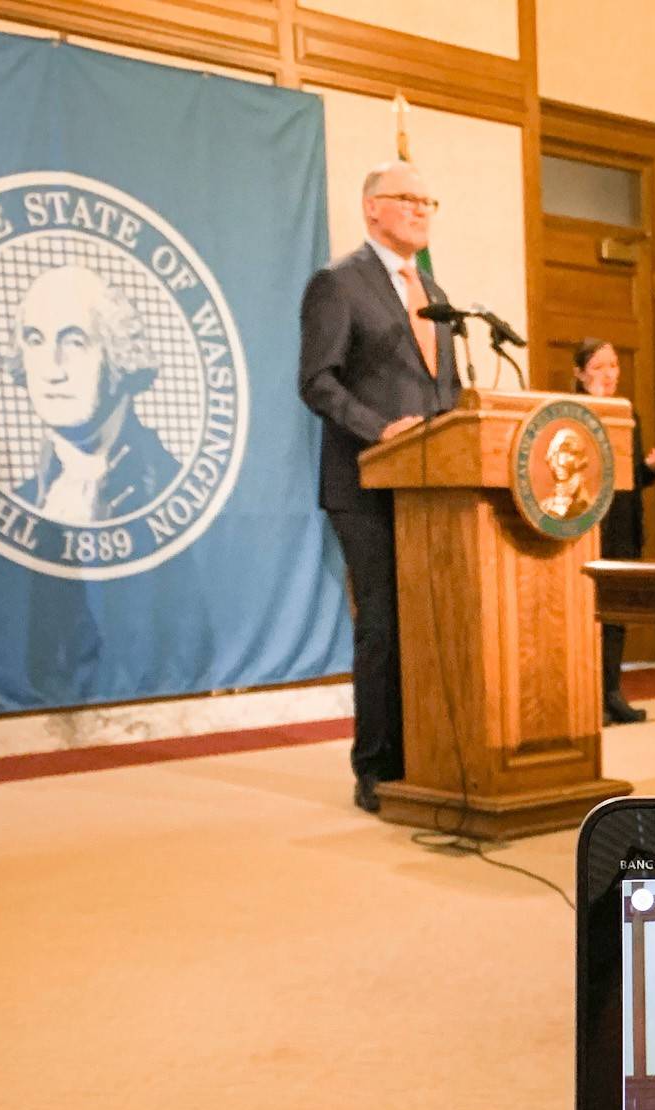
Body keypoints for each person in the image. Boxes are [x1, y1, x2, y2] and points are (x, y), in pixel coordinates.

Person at [298, 161, 460, 814]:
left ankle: (429, 754)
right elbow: (317, 380)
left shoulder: (434, 287)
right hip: (365, 483)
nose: (421, 210)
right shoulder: (338, 284)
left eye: (429, 200)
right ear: (372, 210)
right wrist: (380, 429)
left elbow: (441, 388)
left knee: (433, 623)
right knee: (385, 626)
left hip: (433, 486)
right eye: (407, 199)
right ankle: (376, 767)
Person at [8, 264, 178, 524]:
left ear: (119, 353)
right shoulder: (16, 508)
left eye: (75, 342)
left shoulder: (169, 491)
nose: (51, 370)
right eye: (35, 341)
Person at [573, 338, 655, 725]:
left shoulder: (626, 412)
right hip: (584, 526)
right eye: (598, 367)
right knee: (585, 614)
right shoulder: (571, 412)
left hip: (621, 523)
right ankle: (586, 697)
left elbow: (628, 478)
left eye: (613, 366)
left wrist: (648, 467)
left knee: (615, 614)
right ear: (580, 375)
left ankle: (612, 692)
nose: (609, 374)